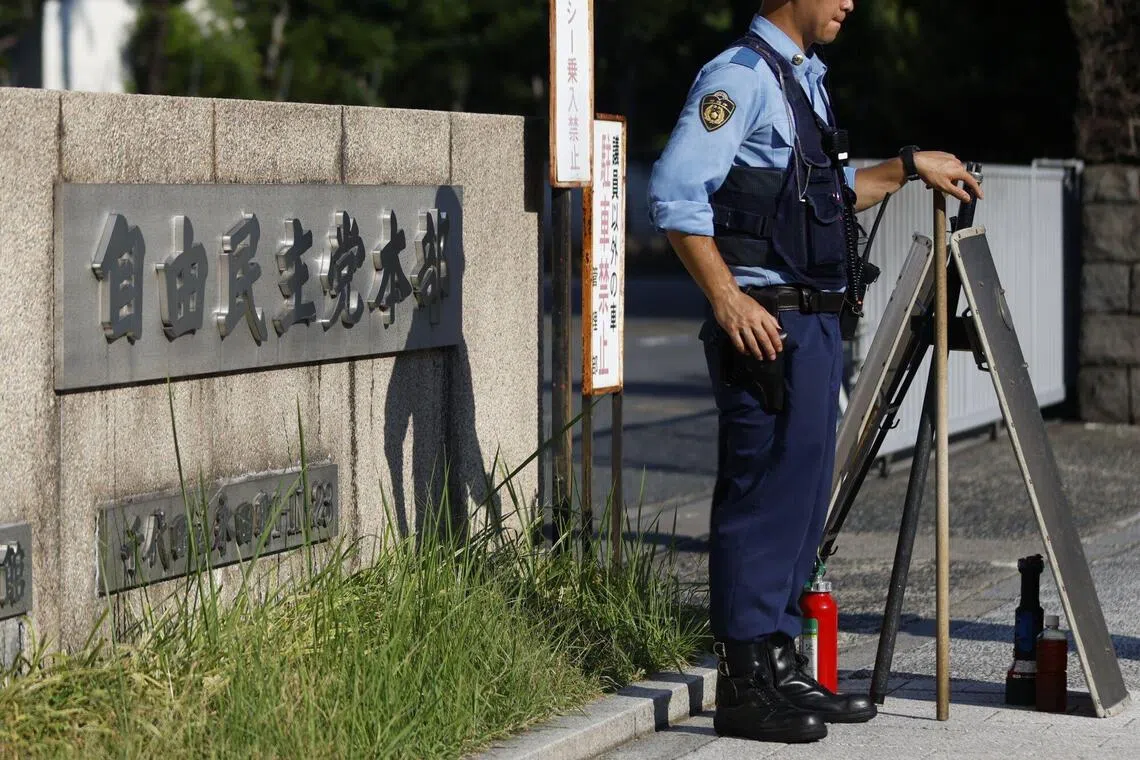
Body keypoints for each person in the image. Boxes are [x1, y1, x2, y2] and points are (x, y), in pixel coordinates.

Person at [647, 0, 983, 745]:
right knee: (762, 497)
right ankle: (743, 683)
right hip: (766, 324)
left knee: (800, 502)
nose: (850, 3)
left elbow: (827, 198)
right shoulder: (739, 78)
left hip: (814, 321)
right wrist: (726, 298)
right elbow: (675, 193)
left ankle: (777, 657)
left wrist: (904, 166)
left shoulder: (803, 81)